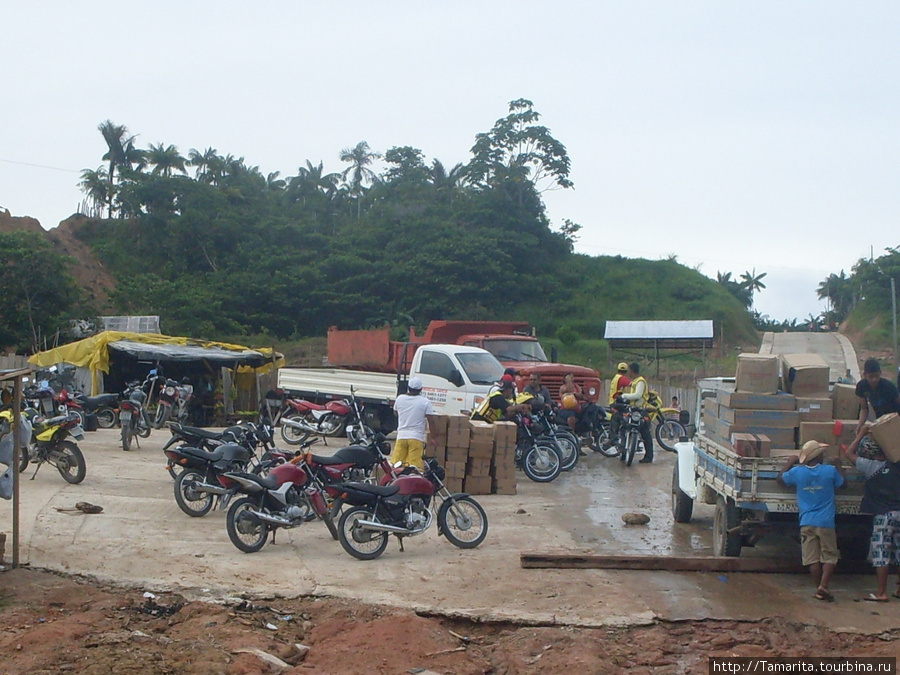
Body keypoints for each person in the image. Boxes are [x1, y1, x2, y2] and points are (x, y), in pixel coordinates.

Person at [777, 440, 844, 602]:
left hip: (806, 521)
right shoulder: (830, 471)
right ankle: (823, 586)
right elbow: (843, 484)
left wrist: (789, 462)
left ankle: (818, 588)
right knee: (829, 556)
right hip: (826, 521)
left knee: (811, 558)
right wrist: (838, 465)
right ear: (819, 456)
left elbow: (780, 479)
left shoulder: (797, 473)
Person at [843, 425, 900, 602]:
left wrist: (860, 434)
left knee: (881, 552)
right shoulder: (897, 466)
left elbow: (849, 454)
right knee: (899, 552)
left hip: (884, 515)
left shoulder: (871, 466)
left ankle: (881, 592)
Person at [389, 377, 436, 470]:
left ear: (408, 387)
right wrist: (433, 437)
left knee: (396, 467)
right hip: (416, 438)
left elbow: (395, 412)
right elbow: (431, 420)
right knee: (416, 469)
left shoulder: (400, 399)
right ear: (420, 390)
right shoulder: (425, 402)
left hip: (401, 437)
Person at [620, 362, 655, 464]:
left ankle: (649, 456)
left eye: (629, 370)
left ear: (632, 370)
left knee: (645, 433)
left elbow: (637, 395)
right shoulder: (635, 381)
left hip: (641, 409)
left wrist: (624, 396)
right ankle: (624, 448)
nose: (628, 373)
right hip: (634, 408)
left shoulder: (640, 381)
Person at [855, 358, 900, 435]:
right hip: (880, 420)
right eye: (871, 376)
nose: (874, 380)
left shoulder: (889, 387)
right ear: (865, 375)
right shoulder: (862, 386)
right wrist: (860, 425)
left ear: (880, 373)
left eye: (876, 376)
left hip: (894, 418)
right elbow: (864, 408)